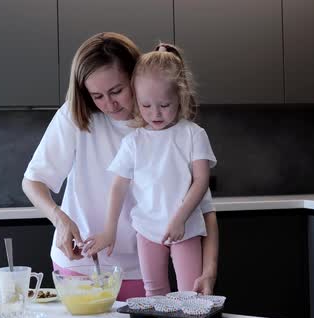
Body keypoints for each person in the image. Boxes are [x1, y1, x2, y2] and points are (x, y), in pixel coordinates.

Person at [22, 33, 219, 301]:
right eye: (97, 95)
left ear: (136, 78)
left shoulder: (174, 133)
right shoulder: (76, 116)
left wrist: (209, 271)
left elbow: (203, 209)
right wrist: (60, 219)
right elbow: (33, 181)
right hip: (81, 267)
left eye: (117, 91)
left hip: (140, 269)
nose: (109, 104)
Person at [83, 43, 216, 296]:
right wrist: (109, 230)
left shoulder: (193, 135)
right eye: (145, 105)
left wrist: (179, 219)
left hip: (185, 229)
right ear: (136, 98)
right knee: (153, 293)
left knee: (191, 294)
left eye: (164, 105)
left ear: (181, 96)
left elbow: (201, 181)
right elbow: (118, 186)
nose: (155, 113)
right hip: (146, 231)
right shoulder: (133, 141)